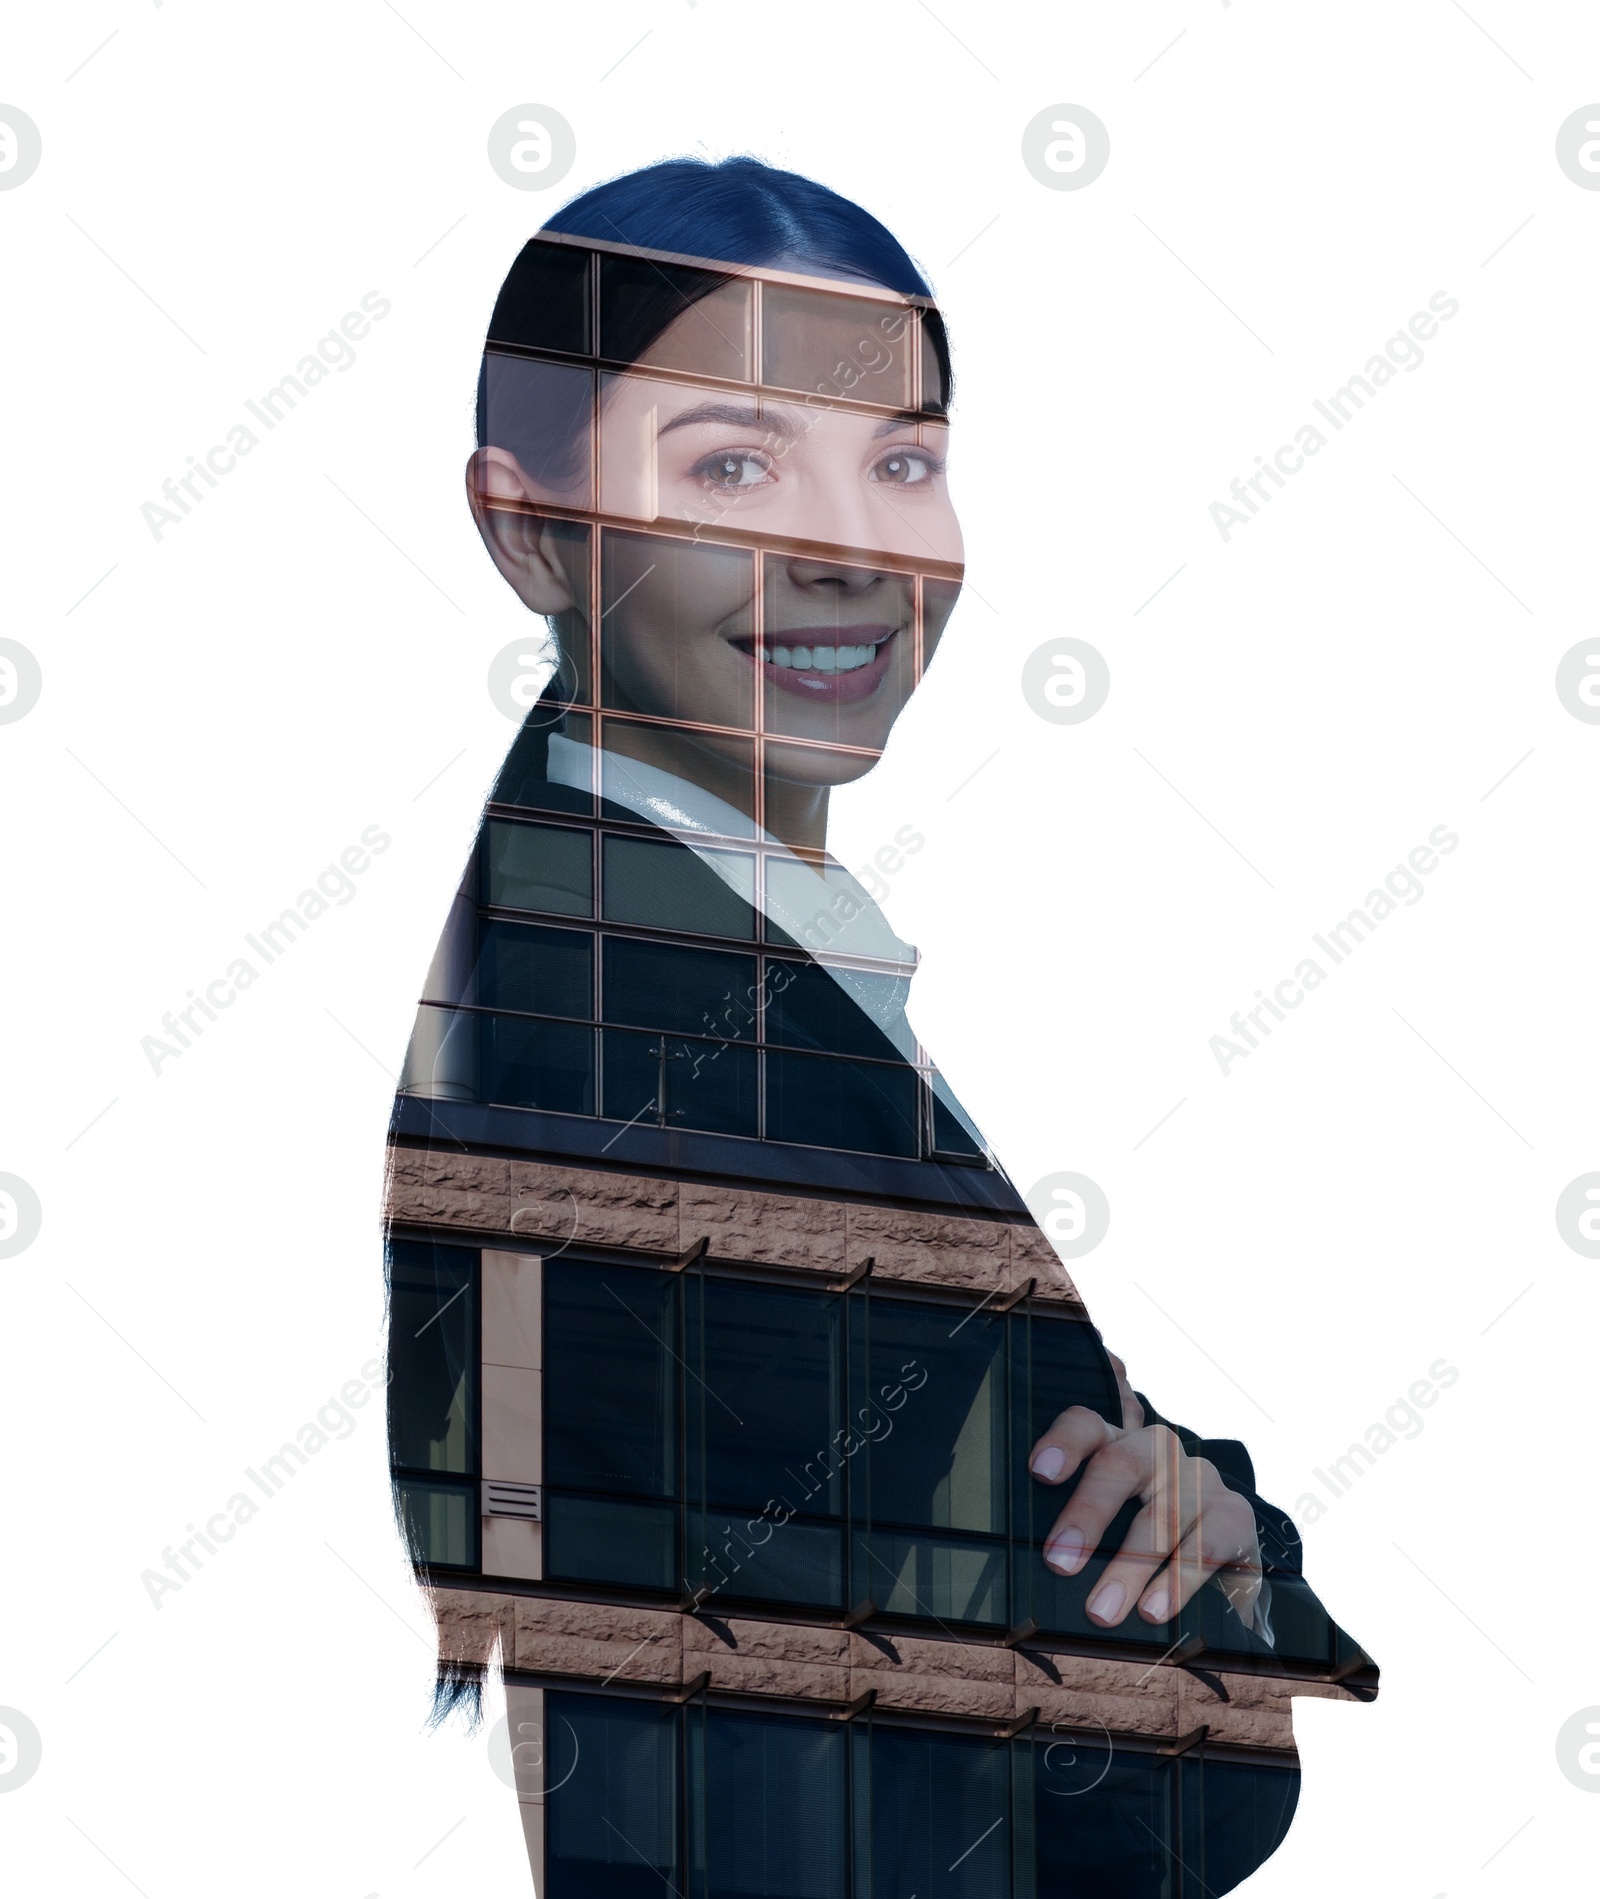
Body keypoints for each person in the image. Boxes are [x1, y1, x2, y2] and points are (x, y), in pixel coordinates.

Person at [387, 155, 1373, 1897]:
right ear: (528, 524)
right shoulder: (650, 1060)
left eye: (901, 459)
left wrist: (1195, 1491)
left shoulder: (638, 911)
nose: (850, 548)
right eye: (735, 463)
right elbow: (1188, 1775)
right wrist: (1239, 1557)